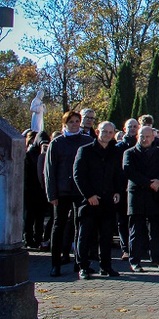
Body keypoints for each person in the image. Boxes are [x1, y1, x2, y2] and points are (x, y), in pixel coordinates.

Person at [44, 110, 93, 276]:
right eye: (71, 122)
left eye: (76, 121)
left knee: (81, 225)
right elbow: (49, 170)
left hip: (81, 191)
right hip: (62, 190)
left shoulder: (87, 141)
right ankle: (55, 263)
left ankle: (80, 262)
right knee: (59, 226)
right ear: (65, 124)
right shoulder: (57, 143)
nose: (74, 124)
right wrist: (52, 194)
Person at [73, 121, 123, 279]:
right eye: (104, 131)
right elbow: (78, 175)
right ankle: (83, 267)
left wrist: (117, 191)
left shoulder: (115, 152)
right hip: (88, 201)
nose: (107, 135)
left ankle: (106, 266)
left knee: (107, 236)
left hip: (108, 200)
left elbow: (118, 174)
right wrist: (89, 195)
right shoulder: (85, 150)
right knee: (85, 235)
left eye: (110, 132)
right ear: (97, 131)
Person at [123, 126, 159, 271]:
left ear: (153, 137)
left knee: (155, 230)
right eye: (142, 136)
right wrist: (149, 183)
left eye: (148, 136)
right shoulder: (129, 153)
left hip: (155, 195)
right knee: (136, 230)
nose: (145, 139)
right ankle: (135, 261)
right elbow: (128, 170)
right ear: (137, 136)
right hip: (137, 194)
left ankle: (157, 259)